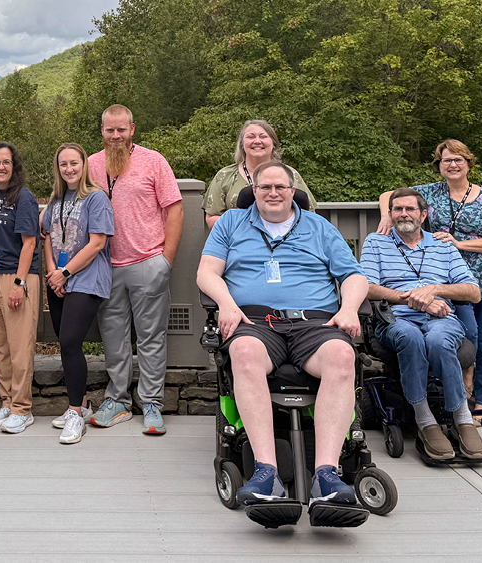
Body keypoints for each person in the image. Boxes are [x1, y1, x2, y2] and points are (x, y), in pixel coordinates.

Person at [196, 162, 367, 514]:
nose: (273, 193)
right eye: (265, 187)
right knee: (243, 352)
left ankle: (327, 475)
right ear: (254, 191)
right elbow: (207, 272)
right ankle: (266, 473)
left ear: (292, 191)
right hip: (254, 320)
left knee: (342, 356)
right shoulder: (231, 222)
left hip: (314, 322)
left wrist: (349, 308)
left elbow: (353, 276)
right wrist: (226, 304)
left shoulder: (319, 226)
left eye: (280, 187)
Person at [376, 140, 482, 420]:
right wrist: (387, 217)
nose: (452, 165)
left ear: (468, 163)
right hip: (445, 277)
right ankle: (459, 385)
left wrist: (458, 244)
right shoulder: (431, 192)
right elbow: (389, 194)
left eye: (458, 159)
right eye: (446, 160)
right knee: (464, 333)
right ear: (439, 166)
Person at [363, 187, 482, 461]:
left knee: (438, 340)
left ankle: (462, 418)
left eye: (410, 209)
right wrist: (414, 299)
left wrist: (434, 290)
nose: (403, 214)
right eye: (397, 209)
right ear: (390, 214)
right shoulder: (376, 242)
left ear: (423, 214)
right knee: (410, 337)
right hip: (395, 318)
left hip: (441, 318)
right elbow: (367, 287)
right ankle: (425, 420)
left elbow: (473, 291)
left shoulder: (442, 245)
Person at [87, 104, 183, 435]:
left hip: (148, 262)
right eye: (109, 130)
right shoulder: (90, 165)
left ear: (132, 129)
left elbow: (175, 209)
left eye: (121, 129)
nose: (115, 135)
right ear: (102, 131)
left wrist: (166, 259)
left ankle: (152, 403)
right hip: (105, 266)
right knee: (113, 339)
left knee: (151, 338)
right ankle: (118, 401)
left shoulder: (153, 161)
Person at [41, 143, 113, 444]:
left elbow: (97, 243)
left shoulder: (96, 198)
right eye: (63, 164)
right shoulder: (56, 199)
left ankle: (74, 415)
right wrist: (53, 273)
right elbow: (46, 235)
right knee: (66, 343)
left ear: (84, 165)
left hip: (86, 280)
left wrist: (66, 272)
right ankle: (81, 404)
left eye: (74, 163)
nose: (69, 169)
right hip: (59, 279)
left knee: (70, 340)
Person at [0, 142, 41, 434]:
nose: (1, 167)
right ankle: (7, 401)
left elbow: (29, 243)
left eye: (6, 162)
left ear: (14, 167)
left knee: (19, 346)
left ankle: (22, 408)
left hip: (17, 276)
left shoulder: (23, 197)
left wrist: (19, 283)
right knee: (0, 345)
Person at [202, 120, 315, 228]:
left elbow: (311, 215)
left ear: (273, 143)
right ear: (242, 144)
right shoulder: (225, 175)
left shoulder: (290, 174)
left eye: (263, 136)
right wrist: (249, 228)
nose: (257, 141)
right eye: (251, 137)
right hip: (238, 239)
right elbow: (211, 218)